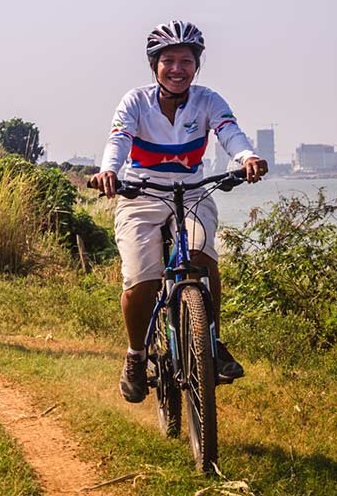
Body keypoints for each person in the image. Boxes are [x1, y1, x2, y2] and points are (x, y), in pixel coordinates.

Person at [90, 20, 268, 403]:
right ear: (154, 65)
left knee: (203, 257)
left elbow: (229, 130)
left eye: (185, 61)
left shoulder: (208, 100)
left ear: (196, 65)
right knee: (141, 279)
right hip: (141, 193)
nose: (177, 69)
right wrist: (109, 171)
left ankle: (213, 342)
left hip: (193, 191)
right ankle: (136, 356)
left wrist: (247, 156)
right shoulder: (135, 101)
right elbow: (118, 138)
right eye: (167, 60)